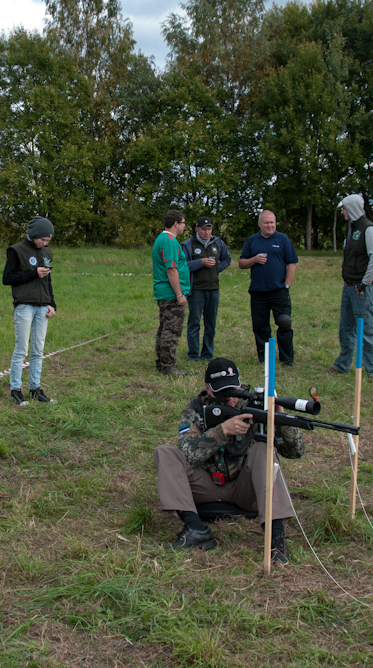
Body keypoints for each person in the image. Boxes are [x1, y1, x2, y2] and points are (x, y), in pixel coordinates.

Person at [153, 358, 300, 560]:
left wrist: (280, 418)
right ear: (207, 388)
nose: (230, 398)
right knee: (165, 452)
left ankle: (276, 538)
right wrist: (221, 431)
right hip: (206, 485)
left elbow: (295, 452)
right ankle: (195, 529)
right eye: (222, 392)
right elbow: (188, 453)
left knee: (263, 449)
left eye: (233, 389)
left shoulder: (254, 404)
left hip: (245, 489)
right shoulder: (195, 410)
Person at [2, 216, 57, 405]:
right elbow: (7, 278)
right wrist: (33, 274)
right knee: (21, 349)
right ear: (33, 235)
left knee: (38, 349)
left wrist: (52, 303)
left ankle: (35, 388)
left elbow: (48, 280)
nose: (45, 243)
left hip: (43, 306)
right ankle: (16, 390)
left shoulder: (46, 252)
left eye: (48, 241)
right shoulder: (16, 251)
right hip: (24, 306)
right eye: (43, 239)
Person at [330, 194, 373, 377]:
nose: (342, 211)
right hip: (349, 286)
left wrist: (364, 283)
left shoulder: (368, 229)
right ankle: (342, 364)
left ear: (351, 208)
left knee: (366, 329)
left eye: (344, 208)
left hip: (361, 289)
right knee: (346, 328)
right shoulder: (352, 228)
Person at [238, 211, 298, 366]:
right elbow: (242, 263)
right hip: (258, 292)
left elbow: (292, 262)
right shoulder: (252, 241)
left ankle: (287, 360)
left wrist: (287, 284)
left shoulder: (283, 239)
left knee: (284, 323)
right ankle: (265, 359)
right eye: (266, 223)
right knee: (260, 327)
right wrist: (254, 259)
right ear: (259, 224)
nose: (270, 225)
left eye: (272, 222)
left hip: (279, 291)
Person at [182, 216, 231, 361]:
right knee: (195, 322)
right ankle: (193, 354)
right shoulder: (188, 244)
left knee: (211, 323)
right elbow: (183, 265)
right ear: (197, 229)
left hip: (213, 289)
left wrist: (216, 269)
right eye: (204, 229)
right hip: (196, 289)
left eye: (209, 229)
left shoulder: (218, 243)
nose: (206, 232)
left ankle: (208, 353)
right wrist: (201, 263)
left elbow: (227, 259)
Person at [152, 210, 190, 375]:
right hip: (170, 294)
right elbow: (171, 269)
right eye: (183, 223)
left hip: (166, 292)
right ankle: (168, 366)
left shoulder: (165, 239)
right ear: (176, 223)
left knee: (165, 327)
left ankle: (162, 363)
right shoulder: (168, 241)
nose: (184, 226)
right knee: (171, 330)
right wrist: (179, 294)